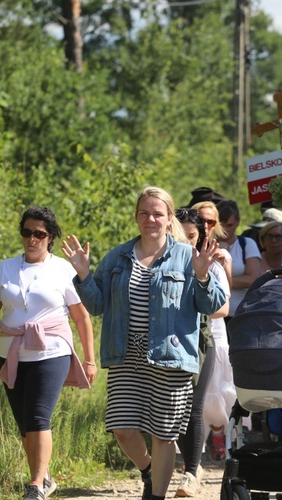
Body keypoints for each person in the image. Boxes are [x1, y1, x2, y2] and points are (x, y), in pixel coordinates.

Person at [62, 187, 227, 500]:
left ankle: (156, 495)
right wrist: (83, 275)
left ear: (168, 219)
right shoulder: (117, 256)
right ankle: (149, 471)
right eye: (144, 213)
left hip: (170, 357)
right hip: (126, 356)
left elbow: (213, 305)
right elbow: (97, 306)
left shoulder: (186, 255)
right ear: (136, 217)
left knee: (164, 436)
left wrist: (203, 277)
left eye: (157, 214)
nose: (150, 219)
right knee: (122, 428)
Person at [0, 206, 97, 500]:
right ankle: (44, 475)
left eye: (39, 234)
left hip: (52, 351)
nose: (31, 239)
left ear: (50, 237)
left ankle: (35, 485)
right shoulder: (5, 268)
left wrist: (89, 359)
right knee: (24, 424)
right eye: (27, 232)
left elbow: (82, 317)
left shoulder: (63, 269)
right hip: (11, 353)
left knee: (38, 417)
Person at [174, 208, 230, 497]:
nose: (185, 242)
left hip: (205, 342)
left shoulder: (213, 267)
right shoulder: (164, 263)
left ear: (202, 236)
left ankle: (191, 472)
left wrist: (192, 304)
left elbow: (223, 308)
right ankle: (185, 467)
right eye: (179, 235)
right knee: (178, 410)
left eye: (191, 236)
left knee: (196, 407)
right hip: (170, 343)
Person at [189, 201, 236, 462]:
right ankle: (191, 452)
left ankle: (218, 430)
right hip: (185, 335)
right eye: (200, 220)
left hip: (213, 333)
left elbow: (222, 302)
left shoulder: (221, 257)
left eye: (209, 222)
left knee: (215, 391)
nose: (204, 226)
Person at [217, 200, 261, 315]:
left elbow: (253, 279)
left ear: (237, 222)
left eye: (229, 225)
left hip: (241, 312)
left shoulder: (247, 244)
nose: (225, 230)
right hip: (216, 312)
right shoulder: (207, 245)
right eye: (221, 225)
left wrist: (222, 281)